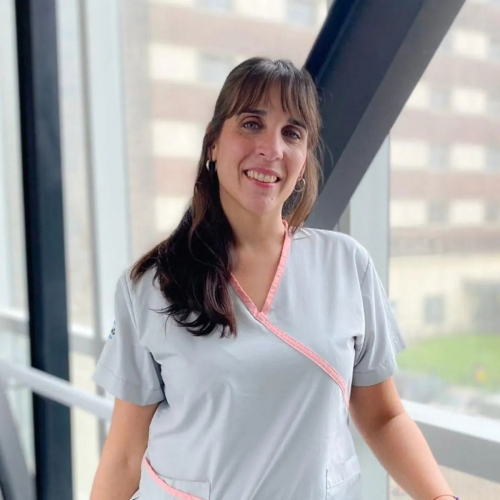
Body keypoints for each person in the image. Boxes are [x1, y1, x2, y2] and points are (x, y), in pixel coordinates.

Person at [90, 57, 458, 500]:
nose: (272, 148)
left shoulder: (346, 265)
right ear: (213, 144)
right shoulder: (153, 285)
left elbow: (383, 417)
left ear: (303, 161)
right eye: (251, 124)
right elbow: (125, 452)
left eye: (292, 133)